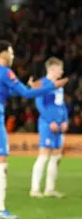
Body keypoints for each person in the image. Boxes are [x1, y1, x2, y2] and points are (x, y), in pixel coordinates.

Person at [0, 41, 68, 219]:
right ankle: (0, 209)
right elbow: (25, 94)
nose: (13, 56)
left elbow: (5, 92)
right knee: (1, 163)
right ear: (2, 54)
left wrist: (28, 87)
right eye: (11, 53)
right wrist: (51, 86)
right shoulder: (5, 71)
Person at [30, 57, 68, 198]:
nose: (62, 71)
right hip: (47, 124)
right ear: (52, 69)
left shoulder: (58, 86)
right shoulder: (42, 84)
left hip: (59, 125)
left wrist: (65, 120)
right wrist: (50, 120)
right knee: (44, 156)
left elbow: (62, 105)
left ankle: (50, 189)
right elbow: (40, 105)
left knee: (56, 157)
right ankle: (34, 189)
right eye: (60, 69)